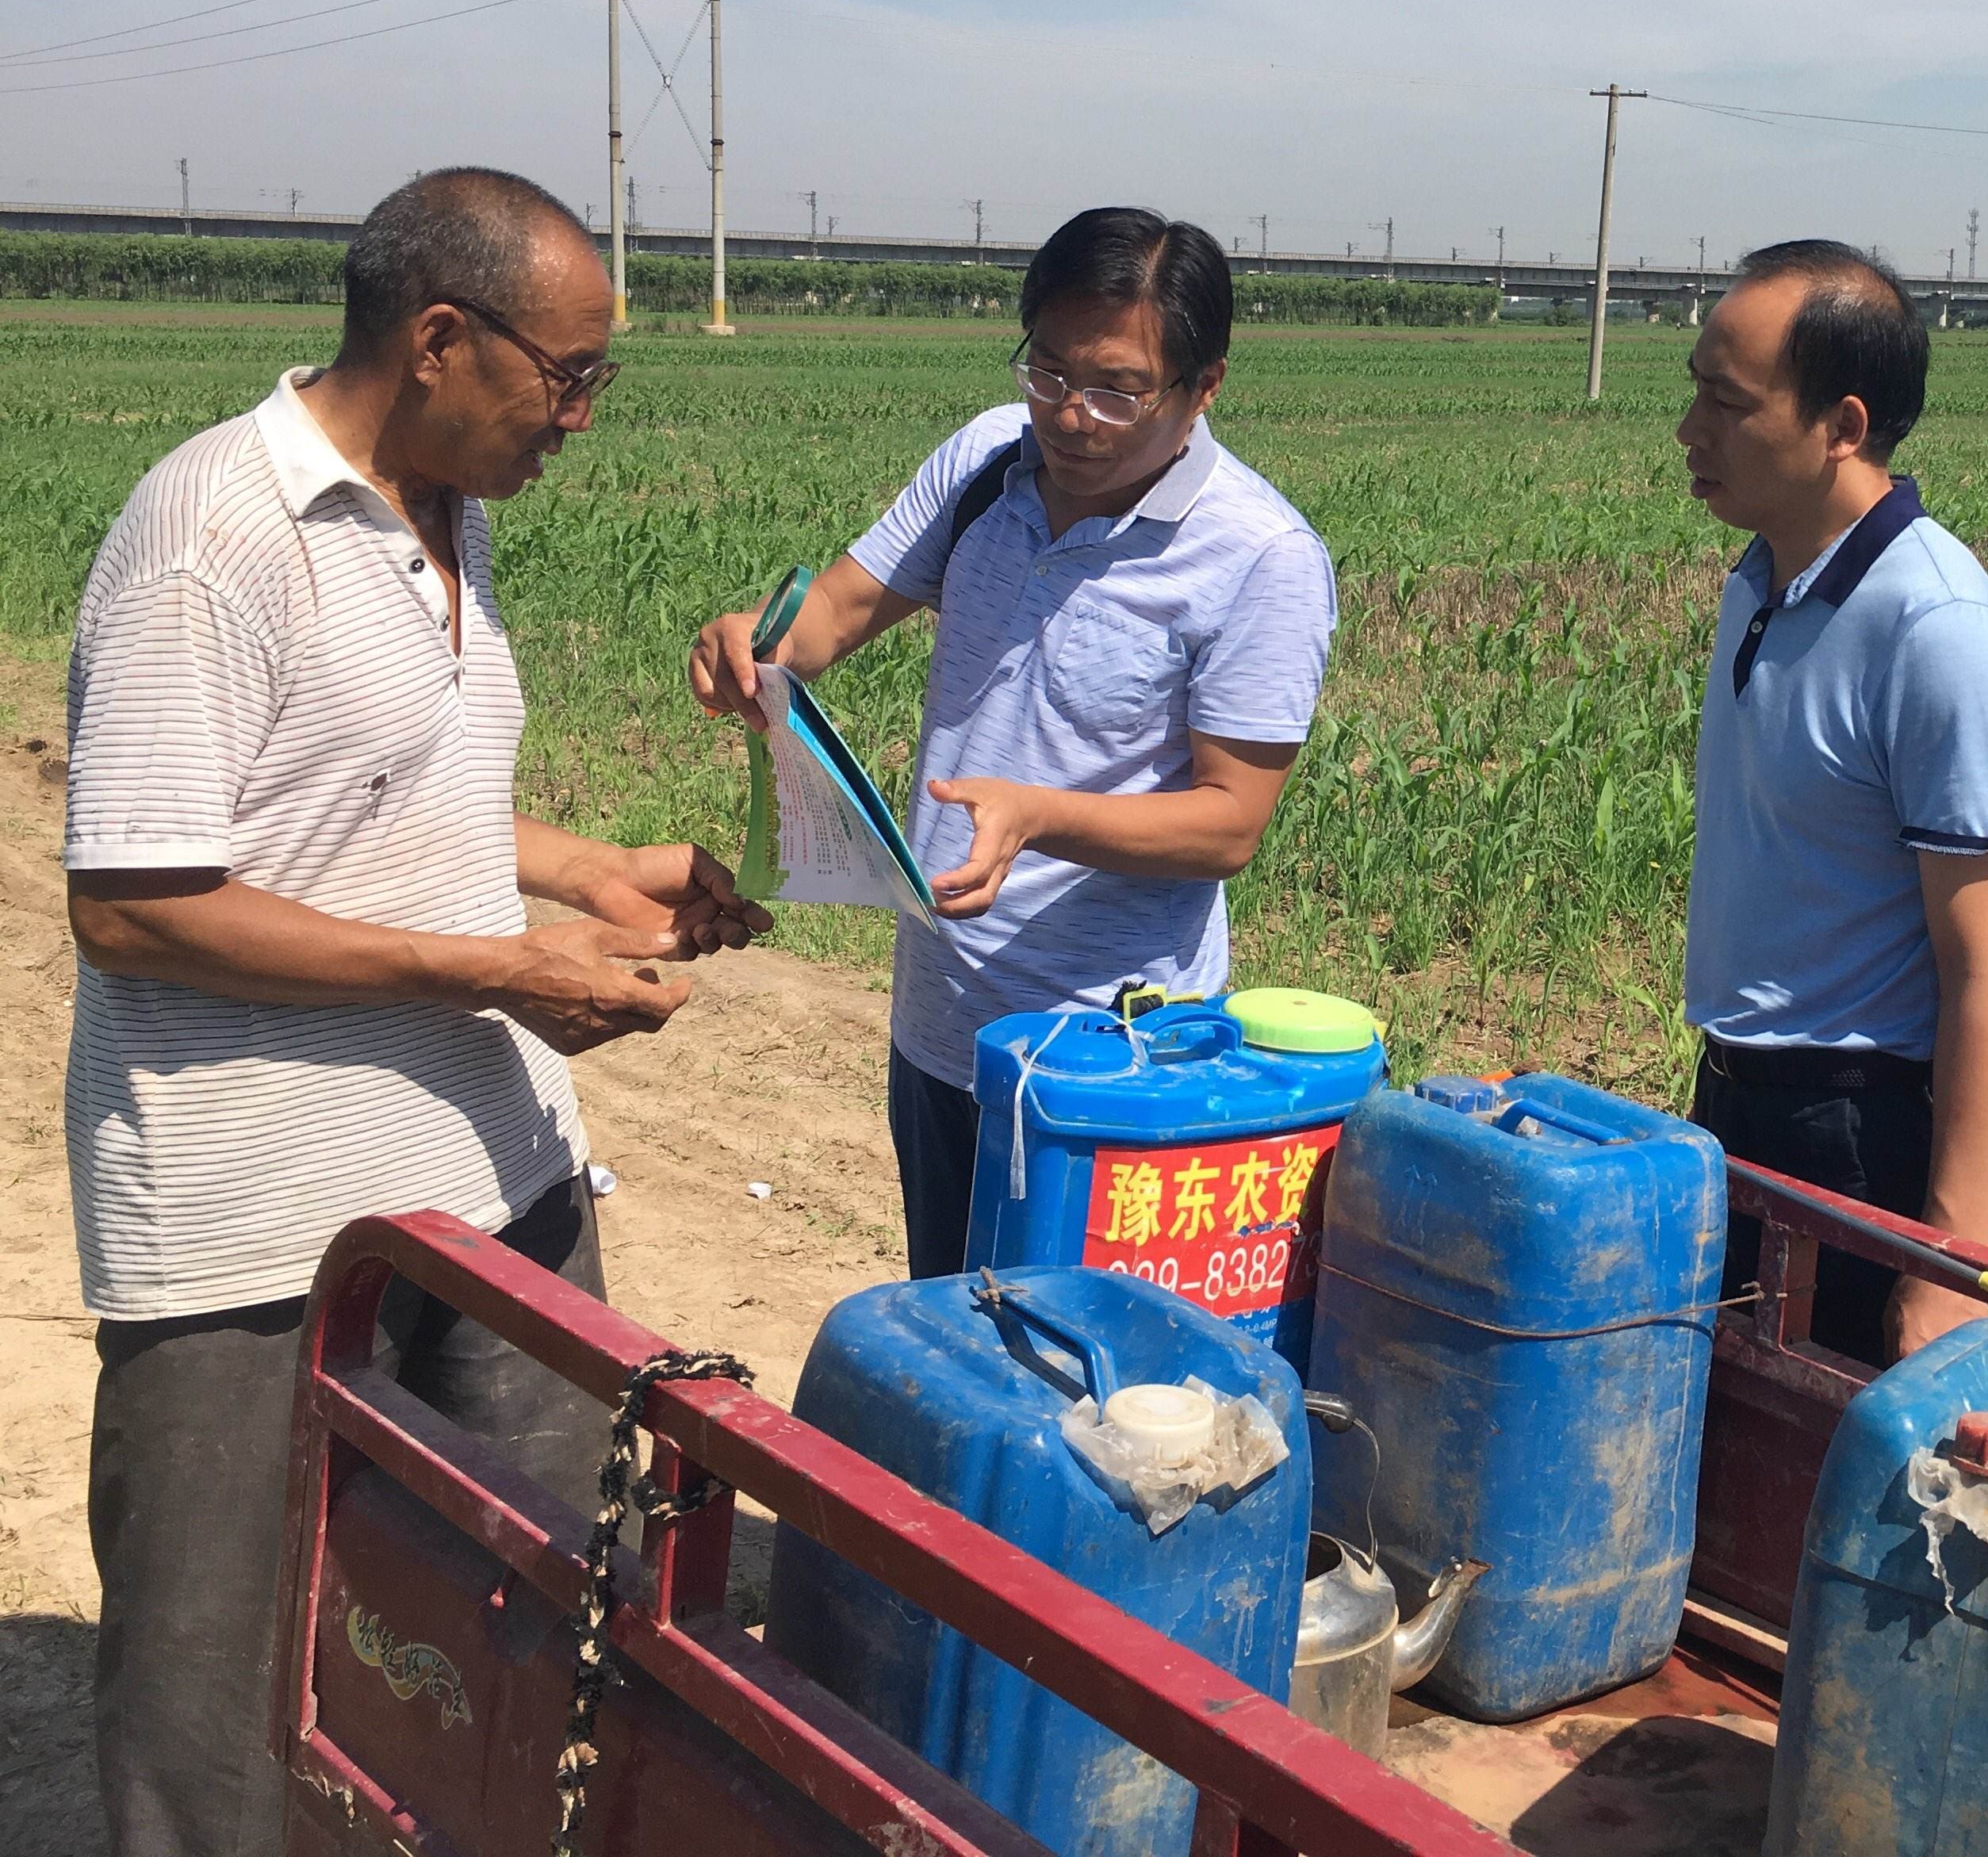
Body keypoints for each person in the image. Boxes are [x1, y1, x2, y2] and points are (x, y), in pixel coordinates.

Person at [64, 167, 767, 1855]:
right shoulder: (214, 537)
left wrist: (587, 870)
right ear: (442, 339)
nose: (582, 420)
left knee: (519, 1599)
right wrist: (490, 967)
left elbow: (376, 794)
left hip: (486, 1173)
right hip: (261, 1232)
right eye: (571, 376)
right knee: (216, 1704)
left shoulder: (451, 502)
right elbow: (140, 899)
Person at [689, 208, 1335, 1279]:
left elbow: (1229, 824)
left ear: (1204, 387)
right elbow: (836, 612)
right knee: (948, 1329)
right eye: (1048, 372)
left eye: (1118, 391)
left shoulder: (1260, 560)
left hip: (1113, 1057)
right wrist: (751, 649)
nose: (1072, 417)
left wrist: (1040, 818)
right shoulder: (989, 459)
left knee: (1089, 1374)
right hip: (944, 1019)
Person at [1677, 241, 1988, 1364]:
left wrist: (1951, 1263)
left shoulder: (1940, 636)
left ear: (1842, 424)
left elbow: (1986, 966)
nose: (1689, 430)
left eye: (1726, 403)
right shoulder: (1762, 575)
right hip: (1733, 1094)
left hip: (1856, 1131)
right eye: (1693, 389)